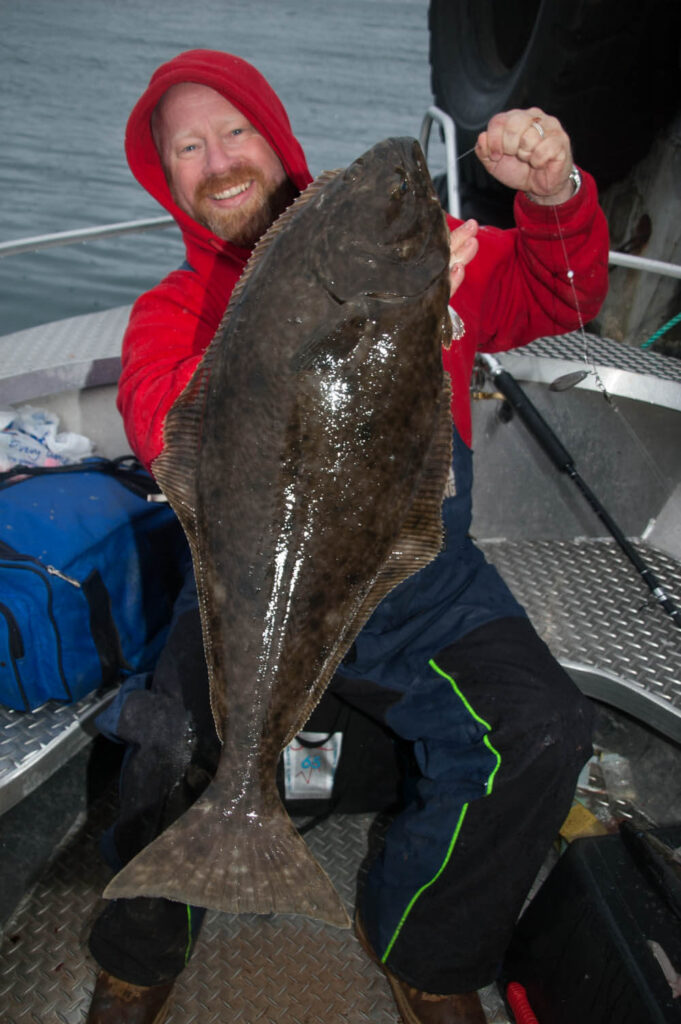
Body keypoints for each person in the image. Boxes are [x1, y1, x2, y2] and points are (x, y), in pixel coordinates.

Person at [86, 49, 609, 1024]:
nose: (219, 160)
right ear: (166, 179)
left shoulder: (407, 243)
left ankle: (427, 948)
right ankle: (138, 954)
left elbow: (566, 298)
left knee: (544, 728)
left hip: (419, 587)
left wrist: (553, 197)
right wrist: (367, 331)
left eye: (235, 130)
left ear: (277, 138)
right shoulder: (170, 311)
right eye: (188, 148)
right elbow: (165, 428)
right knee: (158, 745)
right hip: (255, 583)